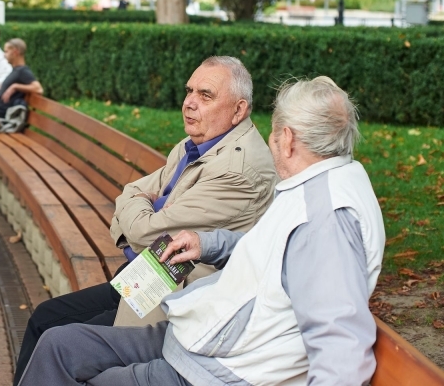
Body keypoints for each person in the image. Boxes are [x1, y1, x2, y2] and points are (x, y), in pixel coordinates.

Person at [19, 76, 386, 386]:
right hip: (197, 337)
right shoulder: (315, 185)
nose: (269, 142)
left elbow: (340, 345)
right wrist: (208, 242)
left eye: (273, 134)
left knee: (72, 362)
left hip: (217, 367)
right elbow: (281, 255)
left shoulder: (326, 218)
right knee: (59, 343)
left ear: (287, 139)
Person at [13, 56, 278, 385]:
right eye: (189, 91)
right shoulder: (194, 144)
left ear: (238, 110)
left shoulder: (238, 171)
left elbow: (144, 232)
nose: (189, 103)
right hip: (150, 276)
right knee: (46, 318)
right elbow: (133, 191)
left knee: (57, 336)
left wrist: (138, 207)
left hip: (176, 300)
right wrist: (139, 204)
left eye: (205, 95)